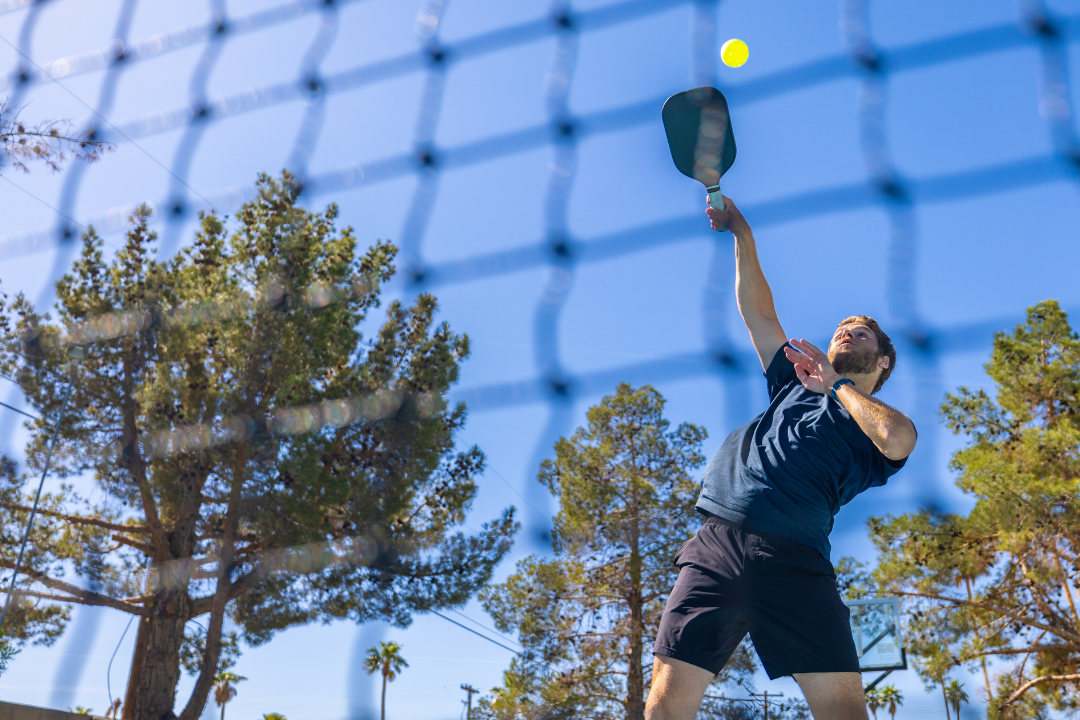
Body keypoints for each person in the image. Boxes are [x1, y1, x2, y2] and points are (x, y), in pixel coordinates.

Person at [644, 197, 917, 720]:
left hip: (797, 560)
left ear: (881, 361)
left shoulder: (871, 418)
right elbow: (759, 314)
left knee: (842, 709)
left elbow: (899, 439)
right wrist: (742, 235)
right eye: (843, 326)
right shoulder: (791, 384)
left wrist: (836, 385)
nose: (847, 330)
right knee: (666, 700)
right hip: (717, 545)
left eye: (861, 331)